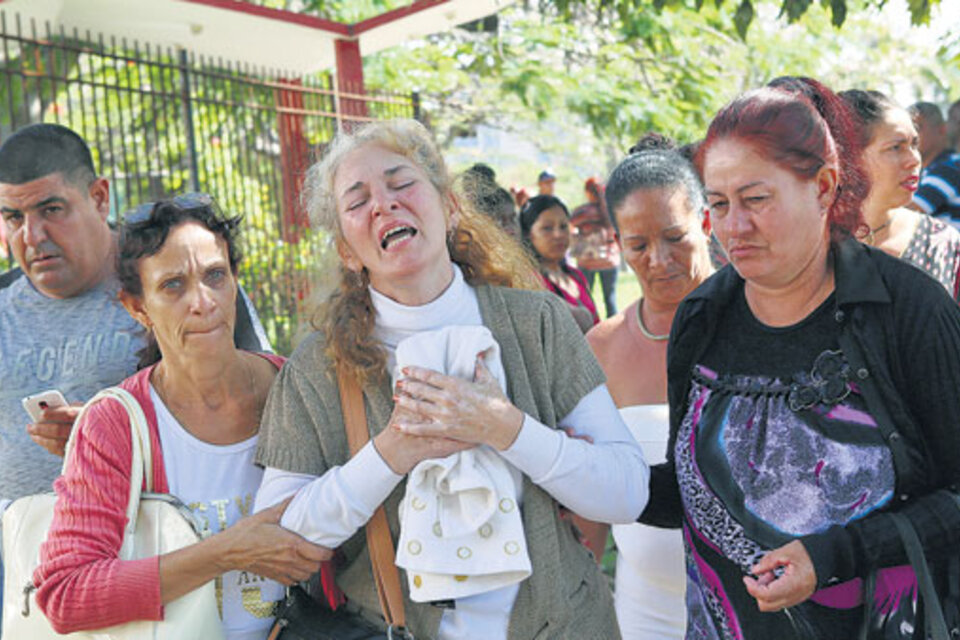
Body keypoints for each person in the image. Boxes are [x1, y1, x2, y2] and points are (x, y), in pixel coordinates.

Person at [252, 119, 649, 640]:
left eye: (401, 183)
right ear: (347, 250)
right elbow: (277, 544)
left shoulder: (539, 323)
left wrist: (504, 427)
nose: (383, 205)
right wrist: (393, 450)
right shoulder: (316, 370)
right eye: (357, 201)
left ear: (450, 206)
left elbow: (627, 493)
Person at [641, 77, 960, 638]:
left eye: (756, 199)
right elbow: (693, 491)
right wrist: (558, 459)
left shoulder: (907, 309)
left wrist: (836, 555)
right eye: (718, 204)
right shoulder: (701, 317)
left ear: (824, 187)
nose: (733, 227)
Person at [0, 124, 270, 629]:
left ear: (99, 197)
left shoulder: (176, 274)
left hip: (171, 563)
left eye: (51, 210)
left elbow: (252, 406)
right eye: (11, 217)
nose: (31, 236)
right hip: (21, 566)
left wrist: (111, 432)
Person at [32, 198, 331, 639]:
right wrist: (226, 552)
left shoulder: (297, 388)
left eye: (215, 276)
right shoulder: (117, 424)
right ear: (137, 307)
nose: (203, 301)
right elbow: (66, 593)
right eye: (173, 285)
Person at [585, 148, 715, 639]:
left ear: (705, 221)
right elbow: (590, 496)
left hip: (754, 604)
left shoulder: (758, 321)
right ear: (617, 243)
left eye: (675, 238)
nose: (659, 261)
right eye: (638, 245)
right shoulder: (602, 347)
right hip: (644, 614)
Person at [839, 91, 960, 299]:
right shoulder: (812, 243)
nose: (914, 159)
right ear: (849, 158)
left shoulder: (940, 243)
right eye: (896, 147)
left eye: (914, 144)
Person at [519, 194, 600, 331]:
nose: (558, 234)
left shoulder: (576, 276)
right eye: (547, 228)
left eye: (563, 227)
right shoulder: (530, 283)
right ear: (528, 234)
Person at [571, 177, 620, 318]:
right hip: (609, 260)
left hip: (587, 261)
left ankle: (590, 328)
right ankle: (614, 330)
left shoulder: (582, 212)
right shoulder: (611, 211)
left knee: (586, 298)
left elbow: (570, 225)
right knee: (610, 299)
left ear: (587, 192)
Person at [906, 101, 960, 225]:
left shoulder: (952, 167)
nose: (911, 135)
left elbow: (910, 211)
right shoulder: (925, 170)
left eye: (917, 128)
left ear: (942, 130)